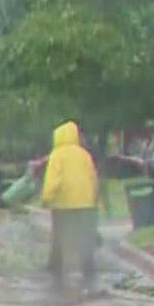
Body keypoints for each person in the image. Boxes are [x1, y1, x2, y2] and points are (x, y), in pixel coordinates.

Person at [41, 120, 99, 283]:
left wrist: (47, 198)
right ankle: (88, 267)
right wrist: (93, 197)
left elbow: (53, 180)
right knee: (85, 236)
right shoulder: (84, 155)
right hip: (86, 203)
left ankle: (55, 265)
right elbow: (93, 177)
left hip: (63, 204)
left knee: (59, 235)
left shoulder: (57, 155)